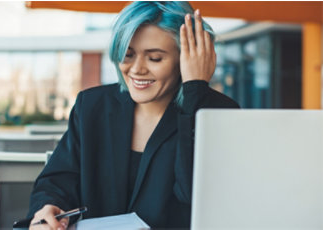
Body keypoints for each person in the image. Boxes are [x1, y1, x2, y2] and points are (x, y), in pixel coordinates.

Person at [27, 1, 239, 229]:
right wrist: (49, 205)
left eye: (154, 58)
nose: (137, 69)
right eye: (127, 55)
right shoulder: (92, 106)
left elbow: (195, 198)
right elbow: (58, 180)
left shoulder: (218, 113)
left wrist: (195, 93)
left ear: (186, 57)